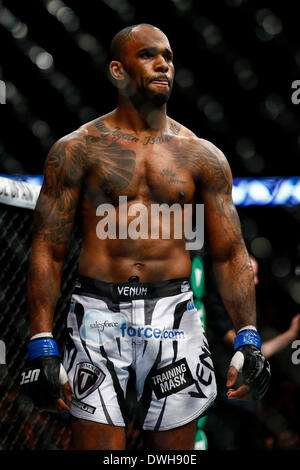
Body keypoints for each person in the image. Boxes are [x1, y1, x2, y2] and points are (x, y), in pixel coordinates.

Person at [19, 23, 270, 450]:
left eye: (169, 57)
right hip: (98, 315)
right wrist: (41, 339)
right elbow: (48, 247)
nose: (163, 65)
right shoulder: (77, 150)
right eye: (149, 55)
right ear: (118, 70)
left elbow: (229, 253)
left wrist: (249, 336)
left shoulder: (201, 156)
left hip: (174, 314)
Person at [203, 254, 300, 449]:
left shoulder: (242, 309)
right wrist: (291, 335)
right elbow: (254, 352)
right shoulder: (216, 303)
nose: (255, 282)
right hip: (223, 400)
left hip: (243, 402)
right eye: (251, 276)